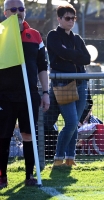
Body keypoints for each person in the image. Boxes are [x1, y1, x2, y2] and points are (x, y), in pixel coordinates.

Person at [0, 0, 50, 189]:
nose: (18, 12)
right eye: (13, 9)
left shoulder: (35, 36)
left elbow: (42, 67)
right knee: (3, 136)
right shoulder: (0, 34)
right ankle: (2, 177)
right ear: (5, 13)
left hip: (29, 95)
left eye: (21, 9)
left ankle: (29, 175)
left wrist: (45, 92)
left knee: (29, 135)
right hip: (4, 96)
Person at [46, 2, 90, 167]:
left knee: (76, 123)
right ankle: (58, 158)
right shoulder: (53, 36)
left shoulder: (77, 38)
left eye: (73, 18)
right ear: (59, 18)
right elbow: (60, 52)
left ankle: (70, 158)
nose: (71, 21)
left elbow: (86, 58)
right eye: (67, 18)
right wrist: (74, 55)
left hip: (81, 83)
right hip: (63, 85)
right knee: (71, 123)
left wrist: (70, 55)